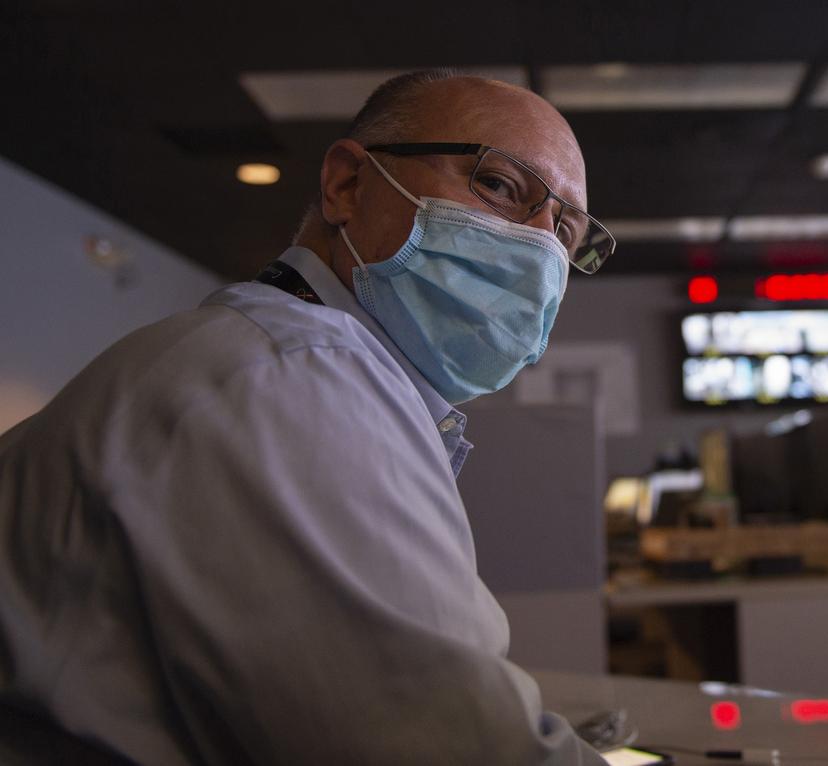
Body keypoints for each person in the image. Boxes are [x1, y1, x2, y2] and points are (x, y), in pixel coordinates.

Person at [0, 71, 615, 764]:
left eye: (566, 230)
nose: (541, 247)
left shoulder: (302, 369)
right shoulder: (294, 377)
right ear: (347, 186)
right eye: (501, 185)